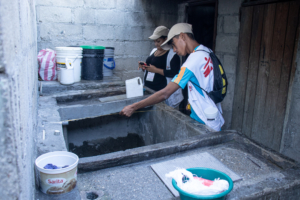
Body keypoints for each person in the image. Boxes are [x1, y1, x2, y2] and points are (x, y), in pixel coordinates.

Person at [121, 23, 224, 131]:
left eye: (174, 44)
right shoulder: (206, 51)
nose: (174, 50)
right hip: (214, 114)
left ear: (183, 36)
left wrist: (133, 107)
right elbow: (207, 82)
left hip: (203, 121)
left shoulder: (190, 63)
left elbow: (165, 93)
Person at [139, 26, 183, 108]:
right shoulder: (154, 51)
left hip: (163, 94)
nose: (156, 44)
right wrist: (143, 67)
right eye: (155, 41)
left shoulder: (173, 55)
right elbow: (149, 68)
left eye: (158, 41)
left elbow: (175, 74)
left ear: (166, 39)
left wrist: (156, 70)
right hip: (150, 90)